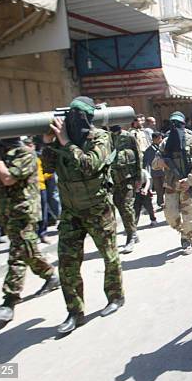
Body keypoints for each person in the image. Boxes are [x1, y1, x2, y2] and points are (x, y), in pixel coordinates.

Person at [42, 96, 124, 334]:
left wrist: (66, 142)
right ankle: (74, 312)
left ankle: (116, 297)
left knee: (109, 257)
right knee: (67, 263)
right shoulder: (60, 140)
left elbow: (89, 164)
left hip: (98, 208)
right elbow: (47, 168)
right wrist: (49, 143)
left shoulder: (100, 137)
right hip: (70, 212)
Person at [0, 137, 60, 322]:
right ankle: (51, 276)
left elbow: (8, 178)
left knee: (17, 253)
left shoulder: (25, 153)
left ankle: (10, 299)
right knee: (27, 251)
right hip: (6, 214)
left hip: (24, 213)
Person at [152, 112, 192, 255]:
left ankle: (187, 239)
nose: (175, 127)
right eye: (172, 123)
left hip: (187, 187)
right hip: (170, 186)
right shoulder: (164, 143)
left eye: (178, 124)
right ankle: (183, 231)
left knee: (188, 216)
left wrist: (189, 180)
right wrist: (161, 162)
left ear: (183, 124)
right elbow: (154, 163)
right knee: (170, 216)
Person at [110, 125, 142, 254]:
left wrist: (139, 177)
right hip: (113, 180)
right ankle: (133, 231)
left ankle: (131, 237)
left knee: (127, 207)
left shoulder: (128, 137)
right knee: (119, 205)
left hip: (128, 178)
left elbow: (139, 156)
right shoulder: (106, 137)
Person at [144, 132, 165, 209]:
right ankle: (161, 203)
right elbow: (146, 162)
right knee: (158, 188)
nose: (161, 140)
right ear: (154, 139)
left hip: (164, 171)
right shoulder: (149, 150)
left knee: (167, 187)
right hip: (155, 173)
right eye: (159, 138)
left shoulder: (163, 147)